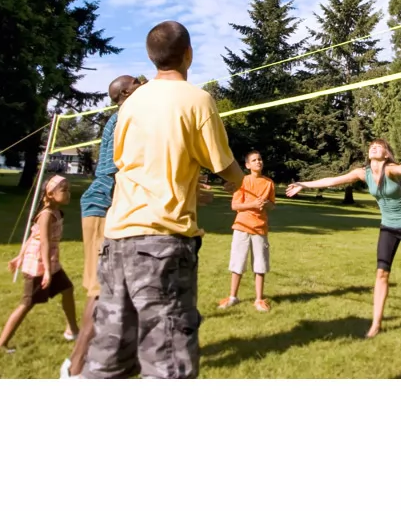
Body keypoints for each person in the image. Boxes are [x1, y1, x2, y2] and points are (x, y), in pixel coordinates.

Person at [82, 21, 245, 379]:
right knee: (168, 365)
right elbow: (222, 163)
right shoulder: (197, 99)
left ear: (151, 57)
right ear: (188, 54)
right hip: (162, 244)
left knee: (109, 359)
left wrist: (183, 186)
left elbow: (130, 165)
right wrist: (241, 182)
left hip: (116, 240)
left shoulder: (131, 103)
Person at [287, 139, 401, 340]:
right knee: (381, 274)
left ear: (386, 154)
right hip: (388, 227)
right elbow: (333, 180)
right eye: (371, 146)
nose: (374, 147)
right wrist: (303, 184)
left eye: (379, 146)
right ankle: (376, 325)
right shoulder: (363, 173)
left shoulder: (390, 169)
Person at [61, 74, 144, 379]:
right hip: (103, 203)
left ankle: (121, 356)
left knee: (119, 288)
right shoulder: (124, 116)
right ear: (125, 92)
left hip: (114, 201)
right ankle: (75, 367)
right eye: (137, 82)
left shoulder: (128, 115)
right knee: (98, 291)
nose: (142, 84)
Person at [0, 174, 79, 352]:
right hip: (39, 266)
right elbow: (44, 243)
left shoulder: (57, 212)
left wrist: (19, 255)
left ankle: (72, 330)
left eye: (68, 190)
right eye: (64, 190)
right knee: (27, 303)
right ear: (50, 194)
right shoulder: (46, 215)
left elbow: (33, 235)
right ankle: (1, 344)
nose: (68, 193)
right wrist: (47, 272)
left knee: (68, 289)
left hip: (50, 262)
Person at [218, 150, 276, 312]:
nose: (259, 162)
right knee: (238, 263)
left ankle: (259, 300)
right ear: (247, 165)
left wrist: (265, 204)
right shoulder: (242, 181)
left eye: (260, 159)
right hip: (242, 227)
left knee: (260, 265)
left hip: (260, 229)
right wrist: (253, 205)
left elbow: (272, 205)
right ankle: (232, 297)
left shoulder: (269, 183)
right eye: (254, 160)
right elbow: (235, 206)